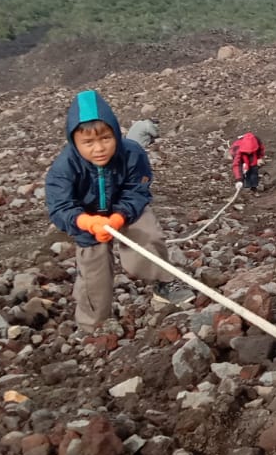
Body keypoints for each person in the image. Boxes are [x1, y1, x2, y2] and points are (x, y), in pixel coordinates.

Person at [45, 89, 185, 329]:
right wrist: (87, 223)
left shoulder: (132, 153)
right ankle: (92, 324)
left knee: (148, 236)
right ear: (74, 142)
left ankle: (164, 283)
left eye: (105, 139)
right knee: (93, 273)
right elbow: (60, 206)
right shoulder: (63, 168)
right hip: (87, 218)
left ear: (116, 134)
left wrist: (119, 217)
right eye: (88, 142)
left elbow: (137, 190)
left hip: (126, 209)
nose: (98, 148)